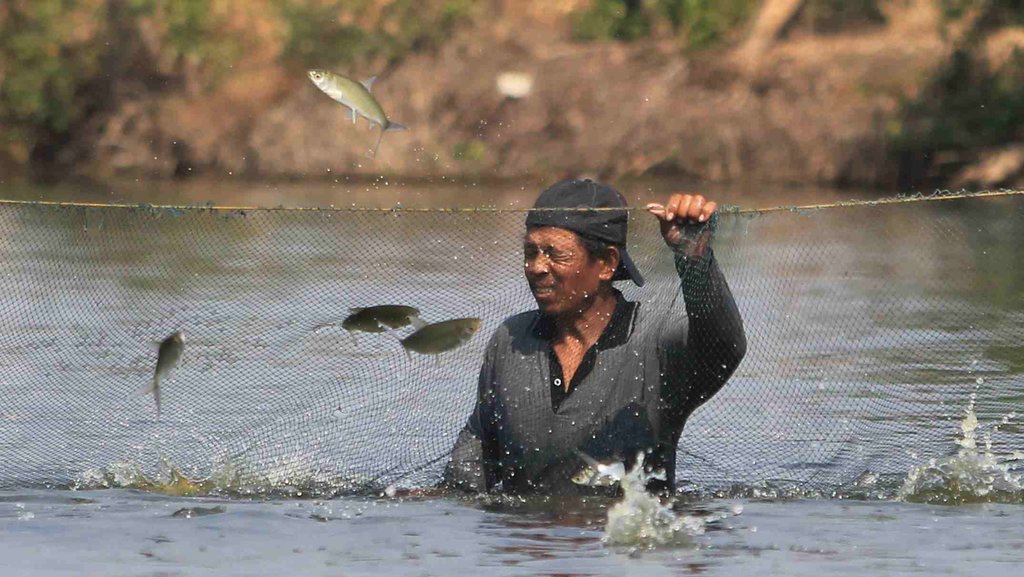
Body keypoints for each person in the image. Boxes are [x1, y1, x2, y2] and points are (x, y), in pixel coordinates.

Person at [442, 178, 746, 494]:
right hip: (527, 539)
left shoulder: (656, 341)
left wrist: (694, 257)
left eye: (554, 254)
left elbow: (724, 346)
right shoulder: (512, 340)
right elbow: (474, 458)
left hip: (622, 536)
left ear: (606, 264)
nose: (536, 267)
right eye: (530, 252)